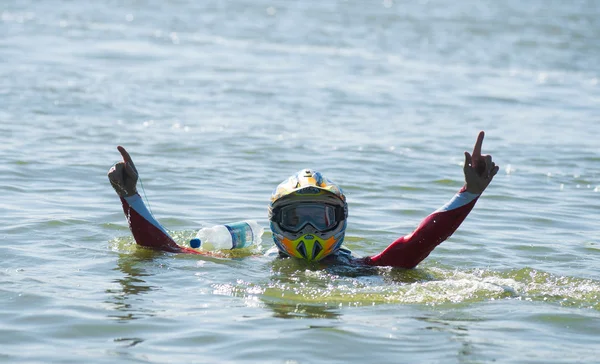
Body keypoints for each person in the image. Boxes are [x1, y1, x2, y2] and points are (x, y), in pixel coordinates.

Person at [108, 131, 498, 268]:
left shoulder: (362, 269)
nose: (309, 230)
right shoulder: (253, 267)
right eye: (296, 218)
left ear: (341, 221)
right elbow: (164, 250)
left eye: (320, 217)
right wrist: (131, 196)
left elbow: (415, 246)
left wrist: (471, 191)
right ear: (277, 224)